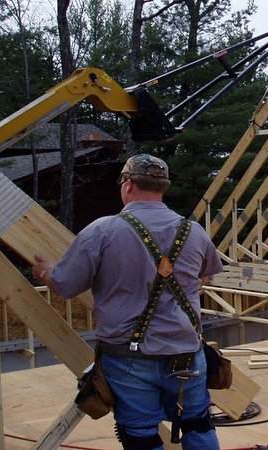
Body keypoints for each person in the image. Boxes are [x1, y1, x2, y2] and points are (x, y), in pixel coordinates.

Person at [32, 154, 223, 450]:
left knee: (141, 435)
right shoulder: (193, 231)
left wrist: (45, 271)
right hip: (186, 353)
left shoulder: (103, 230)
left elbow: (65, 285)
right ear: (164, 187)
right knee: (197, 423)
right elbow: (205, 277)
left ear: (129, 185)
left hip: (128, 358)